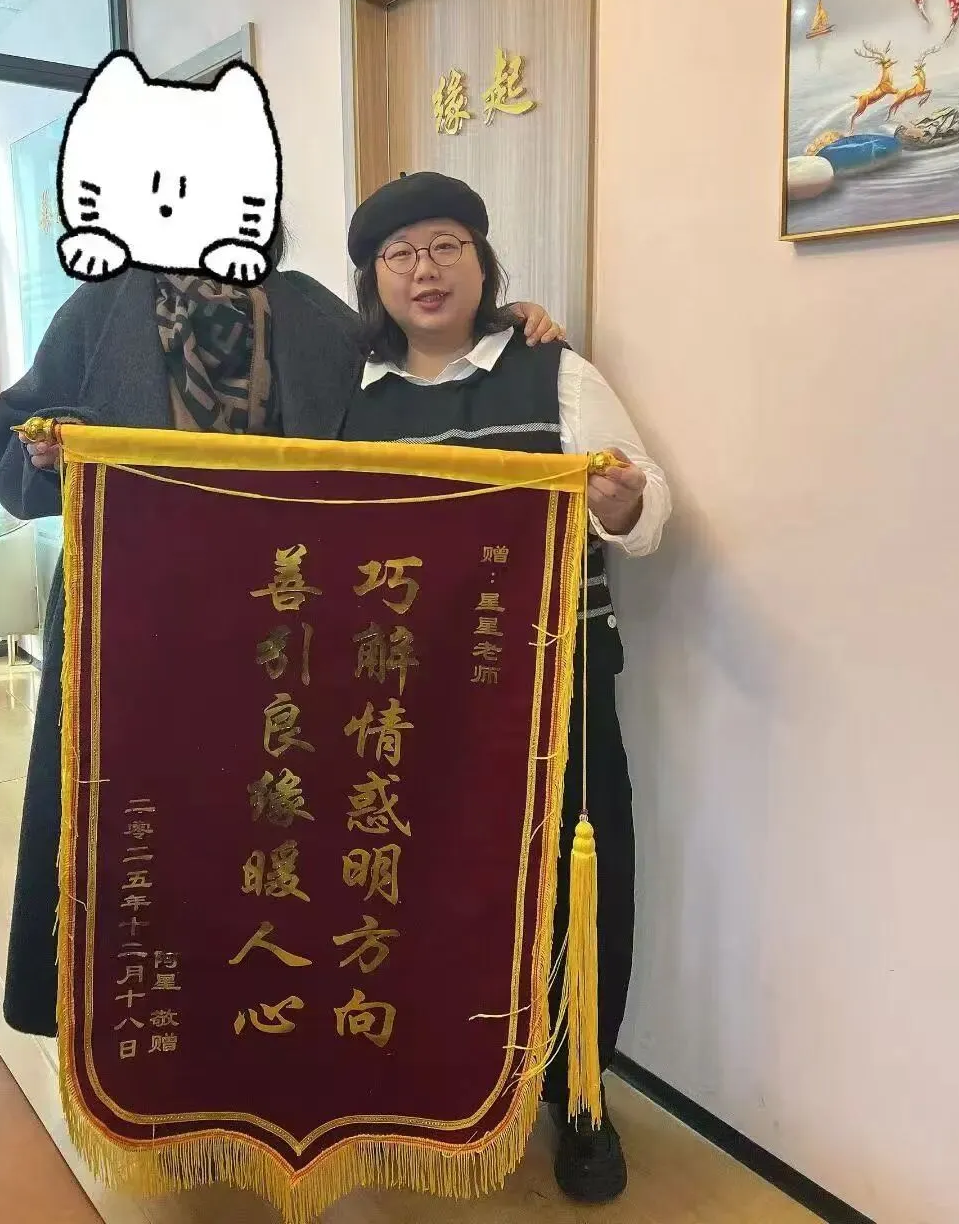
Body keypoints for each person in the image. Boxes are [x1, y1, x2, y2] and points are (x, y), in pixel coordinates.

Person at [0, 221, 563, 1043]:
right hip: (131, 627)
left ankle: (256, 1038)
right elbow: (13, 444)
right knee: (139, 836)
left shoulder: (308, 310)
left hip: (280, 630)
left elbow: (414, 358)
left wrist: (506, 321)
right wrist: (49, 449)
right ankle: (144, 1044)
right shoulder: (102, 308)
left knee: (264, 838)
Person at [340, 171, 671, 1206]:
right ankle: (430, 1080)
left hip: (556, 688)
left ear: (483, 263)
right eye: (399, 254)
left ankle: (582, 1099)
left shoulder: (552, 371)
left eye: (447, 245)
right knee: (419, 888)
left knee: (576, 888)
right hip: (408, 701)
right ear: (374, 279)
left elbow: (651, 511)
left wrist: (621, 501)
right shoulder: (345, 396)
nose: (425, 270)